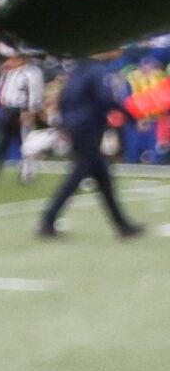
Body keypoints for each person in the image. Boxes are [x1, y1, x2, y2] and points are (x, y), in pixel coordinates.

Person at [38, 57, 145, 239]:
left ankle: (122, 226)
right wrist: (130, 115)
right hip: (89, 128)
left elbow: (64, 99)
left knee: (102, 177)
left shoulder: (77, 71)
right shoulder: (97, 71)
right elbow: (105, 98)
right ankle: (47, 221)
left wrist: (66, 124)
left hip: (77, 128)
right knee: (79, 174)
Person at [0, 51, 44, 184]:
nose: (10, 61)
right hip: (8, 110)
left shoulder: (32, 72)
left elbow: (35, 92)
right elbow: (2, 87)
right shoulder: (10, 72)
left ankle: (28, 173)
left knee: (26, 143)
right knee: (1, 141)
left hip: (22, 110)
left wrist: (31, 111)